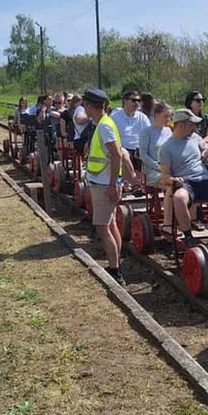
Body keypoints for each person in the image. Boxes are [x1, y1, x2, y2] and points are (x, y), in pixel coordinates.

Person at [160, 109, 208, 245]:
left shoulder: (194, 137)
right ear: (181, 125)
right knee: (179, 198)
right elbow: (165, 175)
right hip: (187, 182)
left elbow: (205, 143)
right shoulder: (166, 147)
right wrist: (173, 180)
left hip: (205, 179)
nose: (195, 127)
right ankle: (188, 235)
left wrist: (206, 150)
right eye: (191, 124)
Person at [82, 88, 125, 286]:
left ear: (91, 106)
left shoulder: (105, 126)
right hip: (104, 182)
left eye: (85, 105)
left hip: (104, 184)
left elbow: (116, 155)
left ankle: (115, 270)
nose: (84, 108)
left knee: (102, 227)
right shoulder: (104, 123)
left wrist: (112, 185)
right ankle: (116, 263)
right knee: (111, 224)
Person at [110, 90, 151, 170]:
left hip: (139, 151)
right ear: (125, 101)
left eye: (139, 100)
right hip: (123, 150)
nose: (137, 103)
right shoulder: (115, 117)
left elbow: (149, 135)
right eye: (133, 100)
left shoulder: (143, 118)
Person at [139, 101, 173, 187]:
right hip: (152, 172)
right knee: (170, 182)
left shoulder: (169, 131)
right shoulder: (146, 132)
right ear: (156, 115)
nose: (168, 119)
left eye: (170, 116)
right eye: (165, 116)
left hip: (169, 169)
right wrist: (158, 167)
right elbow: (143, 155)